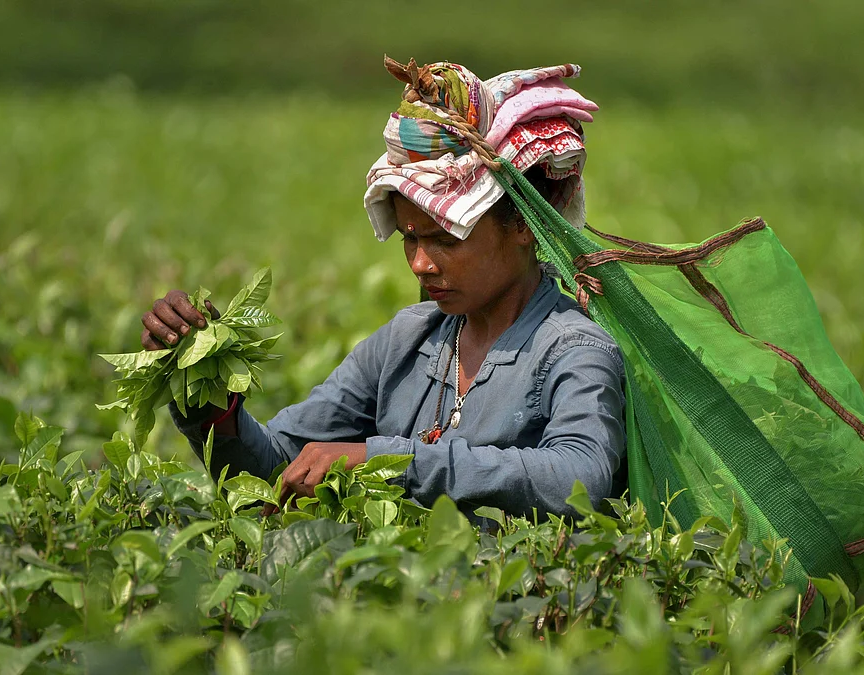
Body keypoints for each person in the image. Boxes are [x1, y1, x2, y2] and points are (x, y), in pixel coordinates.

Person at [140, 58, 626, 519]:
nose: (419, 263)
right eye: (409, 238)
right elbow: (279, 465)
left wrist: (391, 460)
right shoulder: (406, 341)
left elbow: (578, 479)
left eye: (443, 238)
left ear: (521, 224)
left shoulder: (573, 349)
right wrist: (208, 395)